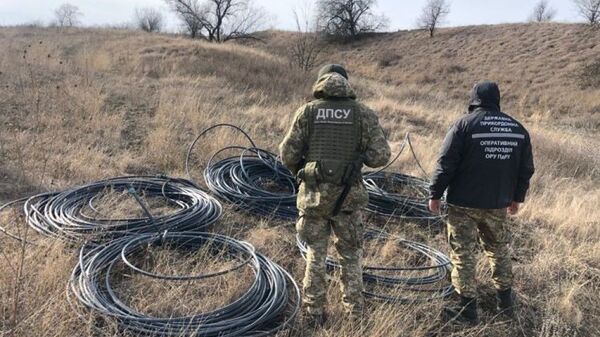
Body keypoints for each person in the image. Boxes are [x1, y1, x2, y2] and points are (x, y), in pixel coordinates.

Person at [279, 64, 391, 325]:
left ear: (321, 83)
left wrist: (304, 168)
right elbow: (381, 155)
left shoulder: (307, 112)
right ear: (346, 83)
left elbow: (287, 155)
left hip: (314, 197)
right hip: (348, 199)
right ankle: (355, 315)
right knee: (350, 255)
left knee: (315, 254)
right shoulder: (362, 114)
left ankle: (312, 313)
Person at [429, 81, 535, 324]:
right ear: (497, 99)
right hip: (498, 203)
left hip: (463, 204)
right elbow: (526, 169)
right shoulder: (518, 129)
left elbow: (446, 164)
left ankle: (467, 311)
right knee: (498, 250)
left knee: (463, 254)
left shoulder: (463, 125)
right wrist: (517, 198)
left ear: (473, 99)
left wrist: (435, 194)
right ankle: (505, 304)